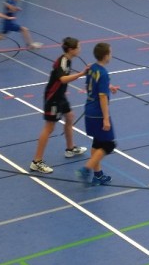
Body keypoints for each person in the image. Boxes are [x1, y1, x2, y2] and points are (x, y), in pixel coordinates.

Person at [29, 37, 88, 174]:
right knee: (49, 127)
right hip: (53, 98)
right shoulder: (63, 61)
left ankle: (70, 149)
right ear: (71, 49)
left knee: (70, 117)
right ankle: (36, 162)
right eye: (78, 47)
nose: (80, 49)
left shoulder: (68, 60)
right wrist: (81, 74)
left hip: (60, 96)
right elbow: (63, 79)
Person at [78, 42, 119, 186]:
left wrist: (109, 87)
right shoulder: (104, 73)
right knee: (109, 145)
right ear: (106, 56)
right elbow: (102, 97)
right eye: (110, 53)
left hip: (89, 110)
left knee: (97, 143)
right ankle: (86, 169)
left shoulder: (92, 68)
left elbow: (91, 85)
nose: (111, 55)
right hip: (98, 113)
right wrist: (106, 119)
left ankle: (98, 175)